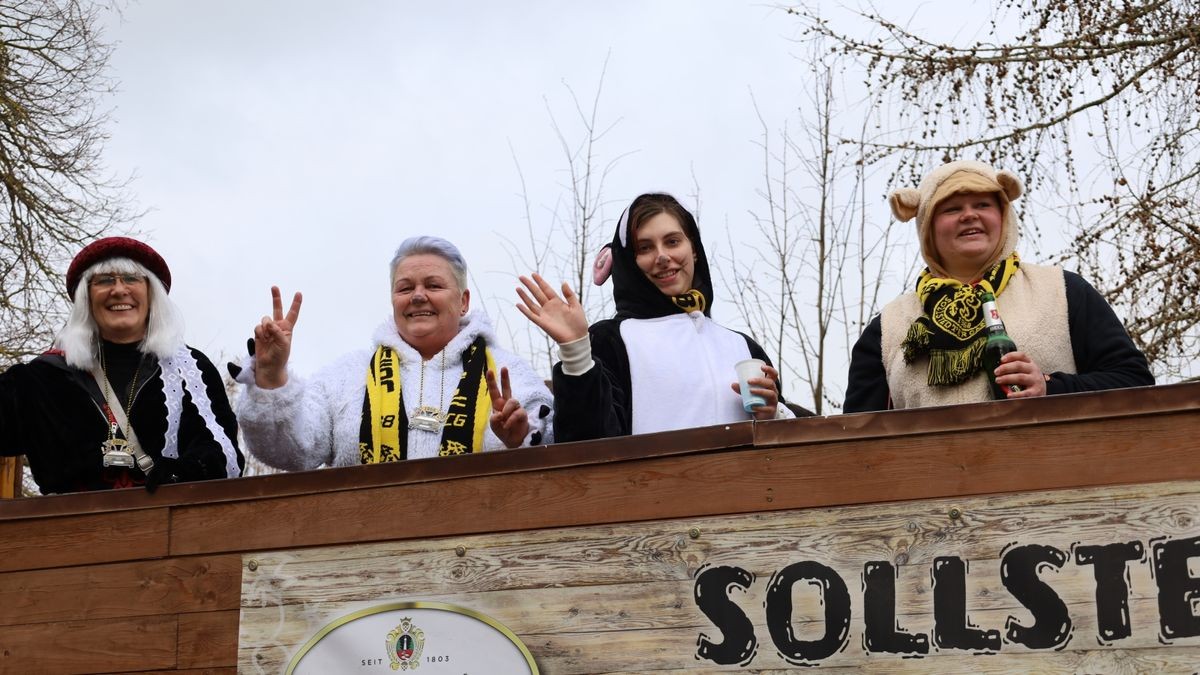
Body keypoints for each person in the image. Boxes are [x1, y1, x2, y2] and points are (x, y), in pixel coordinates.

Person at [844, 160, 1154, 412]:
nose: (969, 215)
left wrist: (1051, 387)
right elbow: (856, 439)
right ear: (927, 227)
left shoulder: (1062, 290)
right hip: (934, 484)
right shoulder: (888, 327)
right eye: (951, 209)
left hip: (1055, 483)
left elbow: (1135, 381)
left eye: (982, 204)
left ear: (1003, 217)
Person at [236, 236, 552, 469]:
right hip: (368, 551)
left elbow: (556, 447)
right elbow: (291, 452)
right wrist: (271, 379)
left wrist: (520, 439)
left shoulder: (508, 372)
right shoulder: (349, 374)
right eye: (405, 288)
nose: (417, 296)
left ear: (464, 301)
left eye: (433, 285)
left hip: (482, 553)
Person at [516, 192, 794, 443]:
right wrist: (576, 351)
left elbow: (784, 458)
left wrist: (773, 414)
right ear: (628, 261)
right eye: (645, 248)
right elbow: (585, 444)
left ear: (693, 249)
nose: (662, 256)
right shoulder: (609, 341)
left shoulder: (744, 347)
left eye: (672, 241)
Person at [0, 237, 243, 494]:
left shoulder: (191, 369)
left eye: (131, 278)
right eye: (104, 280)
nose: (118, 289)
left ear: (151, 294)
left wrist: (183, 471)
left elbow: (222, 453)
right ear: (87, 297)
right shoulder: (43, 377)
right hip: (69, 529)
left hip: (170, 525)